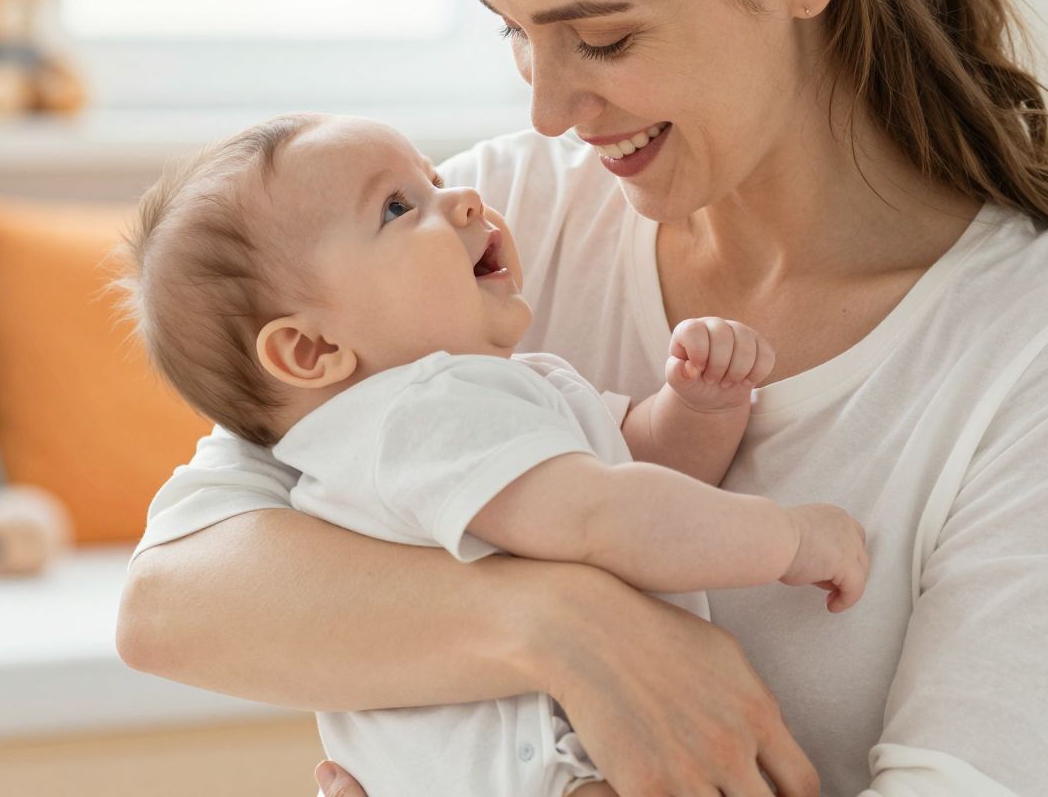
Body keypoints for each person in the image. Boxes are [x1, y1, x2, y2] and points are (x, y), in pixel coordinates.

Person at [117, 0, 1048, 796]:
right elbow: (174, 599)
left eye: (604, 40)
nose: (547, 108)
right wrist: (566, 624)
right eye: (514, 34)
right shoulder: (489, 231)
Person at [113, 112, 869, 797]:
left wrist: (699, 407)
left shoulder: (434, 417)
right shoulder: (423, 412)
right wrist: (788, 538)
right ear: (311, 349)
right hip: (555, 771)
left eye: (434, 178)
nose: (466, 200)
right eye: (397, 209)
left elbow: (634, 468)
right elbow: (608, 515)